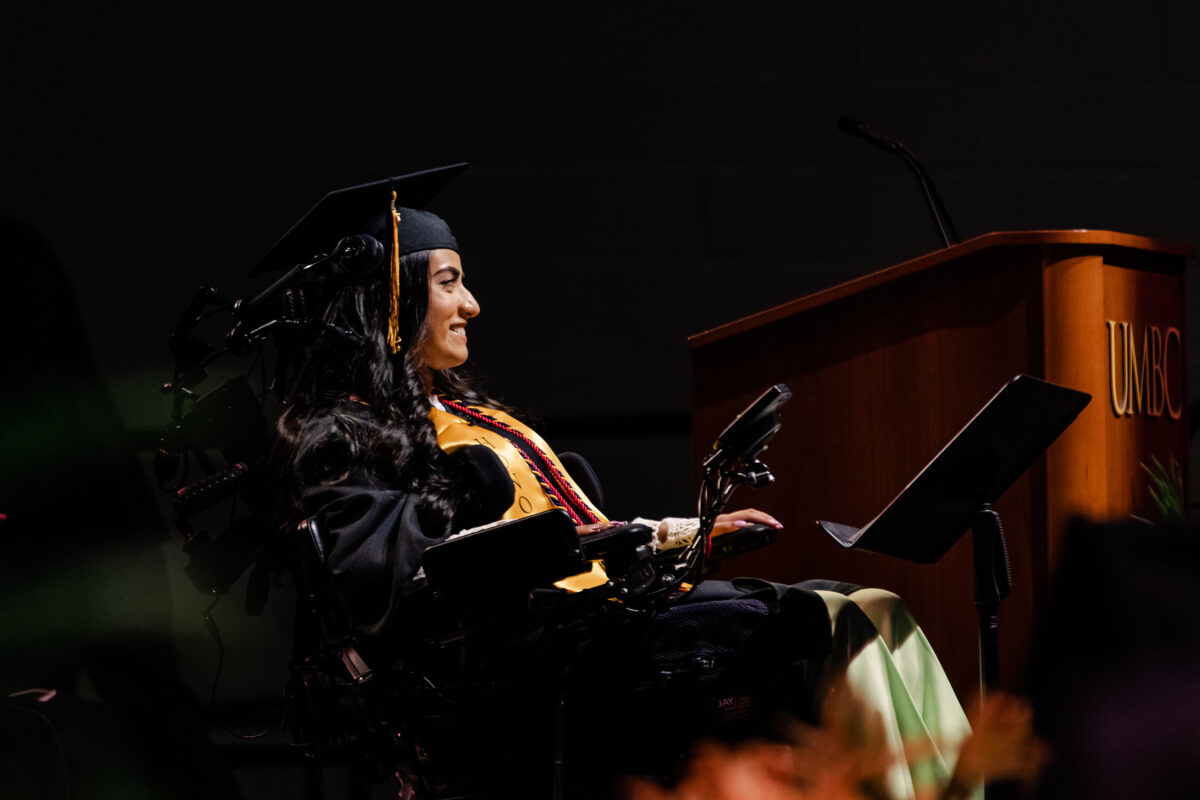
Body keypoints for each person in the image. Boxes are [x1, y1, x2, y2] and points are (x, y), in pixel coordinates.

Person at [265, 168, 973, 799]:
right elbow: (412, 582)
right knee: (835, 623)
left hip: (596, 627)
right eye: (449, 281)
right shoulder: (342, 439)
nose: (472, 303)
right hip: (540, 667)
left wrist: (683, 538)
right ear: (388, 304)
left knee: (873, 608)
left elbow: (568, 527)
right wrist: (628, 541)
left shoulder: (470, 417)